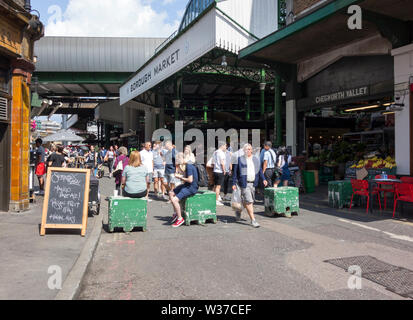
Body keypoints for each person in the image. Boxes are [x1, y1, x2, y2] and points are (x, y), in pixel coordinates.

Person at [232, 144, 268, 228]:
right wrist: (233, 183)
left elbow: (259, 171)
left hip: (253, 183)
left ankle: (239, 210)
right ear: (243, 150)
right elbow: (234, 173)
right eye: (246, 149)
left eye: (249, 149)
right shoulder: (239, 160)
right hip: (244, 183)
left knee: (247, 201)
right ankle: (253, 220)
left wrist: (264, 179)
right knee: (249, 201)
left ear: (251, 150)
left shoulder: (255, 159)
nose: (247, 151)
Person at [169, 153, 199, 228]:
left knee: (174, 200)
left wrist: (180, 177)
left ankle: (180, 219)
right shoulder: (187, 165)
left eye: (178, 162)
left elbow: (190, 180)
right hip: (187, 185)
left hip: (191, 187)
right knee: (171, 193)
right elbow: (186, 176)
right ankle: (176, 213)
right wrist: (179, 173)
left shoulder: (189, 166)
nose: (178, 164)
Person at [213, 142, 227, 206]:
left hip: (215, 170)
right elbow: (222, 162)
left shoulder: (215, 152)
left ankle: (213, 199)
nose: (226, 147)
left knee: (215, 186)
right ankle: (216, 200)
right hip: (219, 171)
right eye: (225, 146)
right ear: (222, 145)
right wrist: (224, 170)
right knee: (218, 187)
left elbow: (213, 162)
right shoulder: (221, 153)